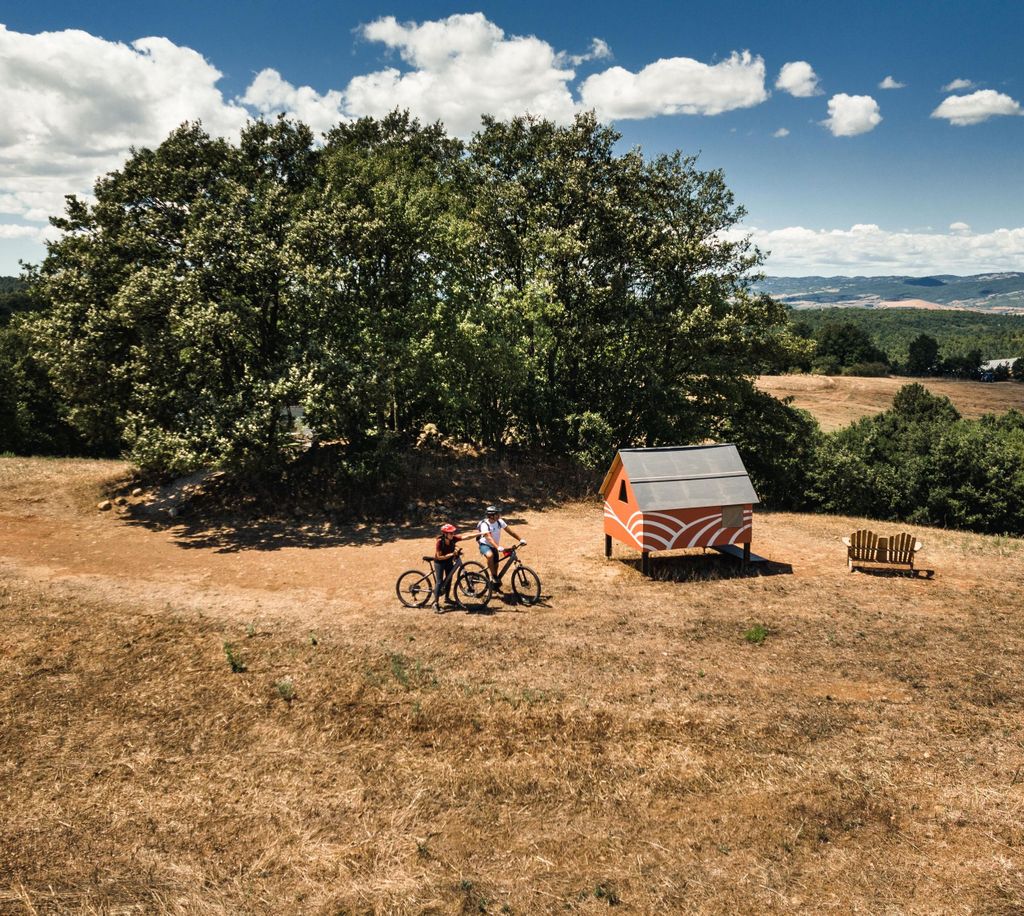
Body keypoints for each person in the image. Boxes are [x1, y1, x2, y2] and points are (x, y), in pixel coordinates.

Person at [477, 505, 525, 589]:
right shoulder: (484, 524)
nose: (499, 515)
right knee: (490, 555)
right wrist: (497, 547)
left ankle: (494, 584)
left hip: (495, 545)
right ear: (491, 515)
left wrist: (520, 539)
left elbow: (510, 531)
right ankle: (493, 577)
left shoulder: (500, 522)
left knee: (496, 565)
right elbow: (488, 537)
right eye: (497, 514)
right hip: (485, 544)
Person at [432, 523, 468, 612]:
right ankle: (435, 603)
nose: (453, 534)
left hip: (448, 561)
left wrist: (481, 533)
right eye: (451, 533)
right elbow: (439, 556)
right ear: (445, 534)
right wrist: (452, 554)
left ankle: (447, 598)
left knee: (449, 579)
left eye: (453, 532)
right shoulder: (440, 542)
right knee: (439, 582)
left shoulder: (452, 539)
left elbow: (466, 537)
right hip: (439, 562)